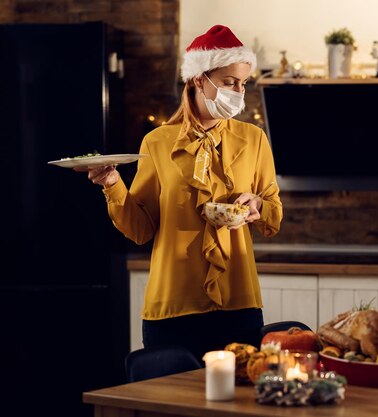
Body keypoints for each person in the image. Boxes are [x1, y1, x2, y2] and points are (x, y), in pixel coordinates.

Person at [79, 25, 282, 361]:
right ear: (200, 79)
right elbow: (142, 230)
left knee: (240, 408)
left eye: (243, 84)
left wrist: (259, 204)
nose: (239, 92)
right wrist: (113, 186)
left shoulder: (254, 139)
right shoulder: (156, 142)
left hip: (239, 301)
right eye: (230, 82)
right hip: (172, 307)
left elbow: (273, 211)